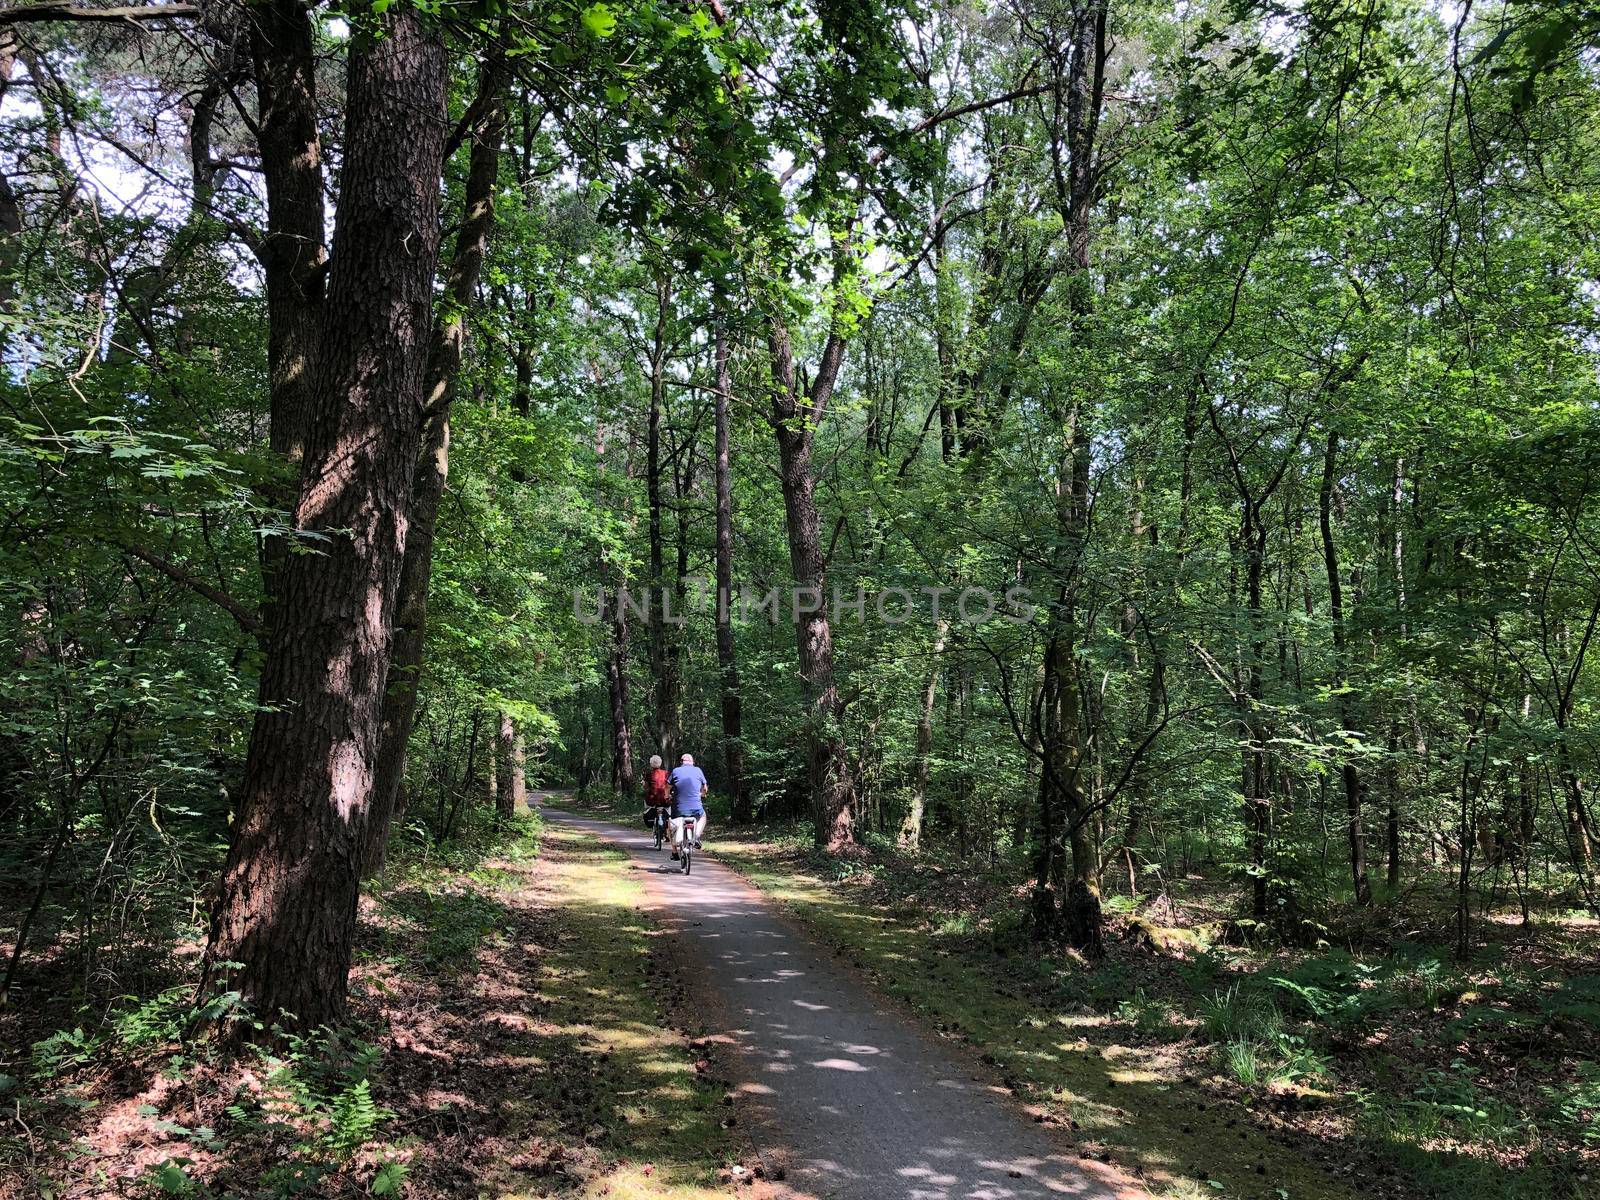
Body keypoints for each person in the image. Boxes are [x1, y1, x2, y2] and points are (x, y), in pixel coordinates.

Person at [667, 752, 708, 860]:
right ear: (693, 762)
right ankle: (697, 836)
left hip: (678, 809)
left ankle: (674, 852)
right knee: (703, 816)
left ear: (681, 762)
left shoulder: (676, 771)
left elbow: (667, 787)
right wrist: (702, 795)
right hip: (696, 808)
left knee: (671, 824)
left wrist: (667, 796)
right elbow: (704, 788)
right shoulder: (698, 770)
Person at [642, 754, 670, 841]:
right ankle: (667, 832)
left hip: (652, 800)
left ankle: (653, 821)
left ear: (651, 764)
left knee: (647, 807)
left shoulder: (649, 774)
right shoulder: (666, 773)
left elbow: (645, 787)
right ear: (660, 763)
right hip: (665, 799)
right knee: (669, 812)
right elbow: (669, 786)